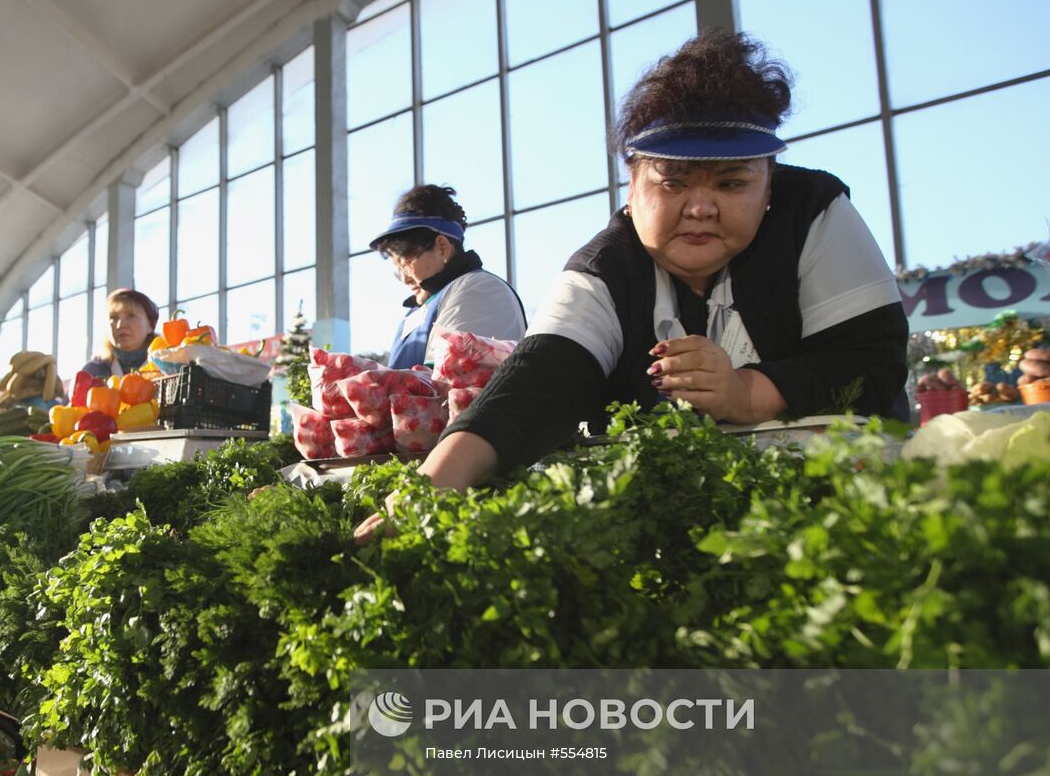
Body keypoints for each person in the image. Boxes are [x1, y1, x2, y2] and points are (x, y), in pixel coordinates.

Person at [356, 32, 908, 538]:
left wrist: (745, 393)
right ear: (634, 182)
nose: (700, 207)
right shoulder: (603, 268)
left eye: (733, 182)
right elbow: (535, 383)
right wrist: (424, 496)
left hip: (843, 511)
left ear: (768, 184)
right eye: (672, 182)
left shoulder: (814, 214)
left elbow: (871, 360)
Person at [369, 184, 526, 369]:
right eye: (398, 269)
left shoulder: (478, 289)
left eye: (406, 264)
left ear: (442, 247)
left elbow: (451, 383)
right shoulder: (419, 310)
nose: (405, 278)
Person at [81, 288, 161, 381]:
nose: (120, 325)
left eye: (131, 316)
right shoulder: (93, 371)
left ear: (150, 325)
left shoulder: (168, 366)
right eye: (114, 318)